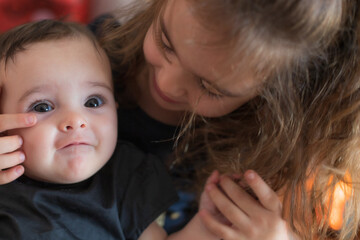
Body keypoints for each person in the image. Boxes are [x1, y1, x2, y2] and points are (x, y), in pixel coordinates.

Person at [1, 0, 359, 239]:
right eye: (166, 42)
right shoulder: (78, 55)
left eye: (210, 87)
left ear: (276, 99)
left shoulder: (271, 164)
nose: (167, 83)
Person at [0, 19, 235, 240]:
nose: (76, 120)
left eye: (93, 102)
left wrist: (207, 226)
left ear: (116, 108)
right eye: (42, 106)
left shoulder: (129, 178)